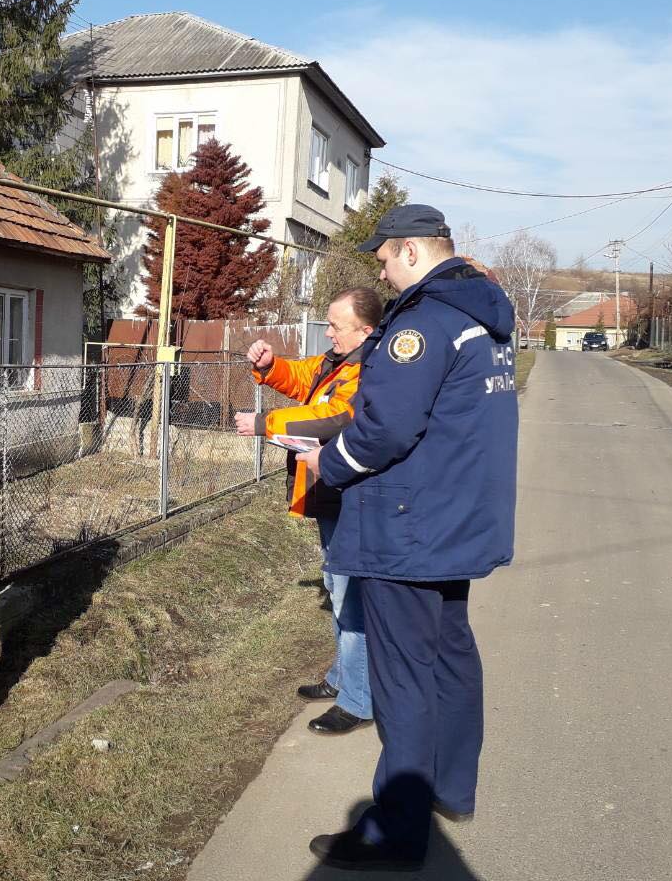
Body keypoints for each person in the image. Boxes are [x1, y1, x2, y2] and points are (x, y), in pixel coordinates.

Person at [297, 204, 518, 871]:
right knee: (450, 654)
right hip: (456, 519)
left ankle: (396, 831)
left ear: (415, 251)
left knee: (403, 680)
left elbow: (387, 428)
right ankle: (451, 788)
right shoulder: (485, 315)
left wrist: (327, 466)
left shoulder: (422, 325)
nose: (385, 272)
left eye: (388, 258)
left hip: (408, 526)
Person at [234, 287, 383, 735]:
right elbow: (302, 378)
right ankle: (343, 677)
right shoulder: (338, 360)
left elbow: (336, 418)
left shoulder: (370, 371)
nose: (329, 332)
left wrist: (264, 424)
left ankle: (359, 701)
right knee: (338, 586)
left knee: (349, 594)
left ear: (366, 330)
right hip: (330, 490)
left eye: (336, 325)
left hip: (350, 492)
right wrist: (268, 366)